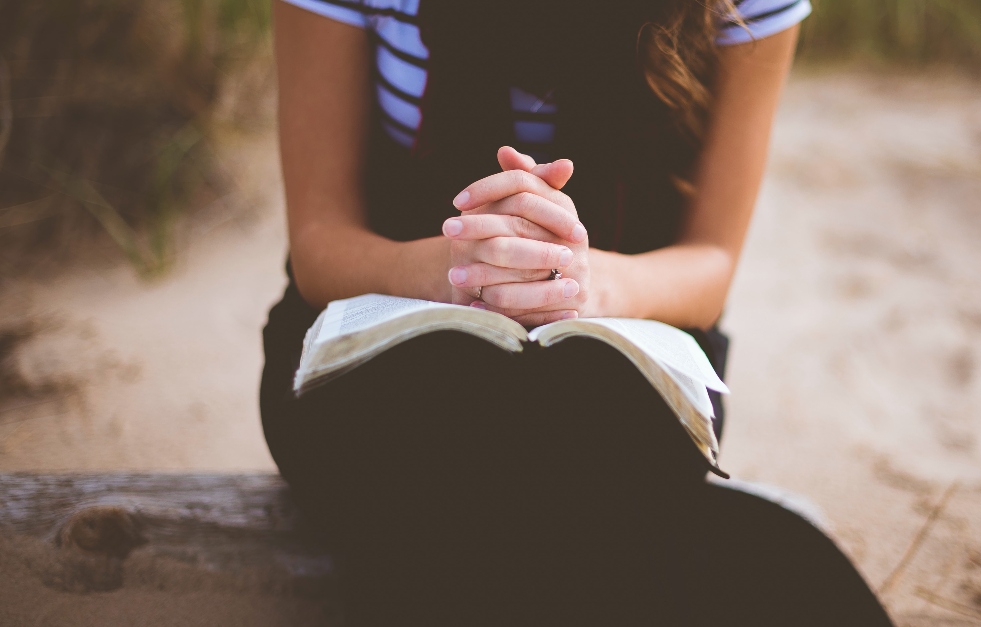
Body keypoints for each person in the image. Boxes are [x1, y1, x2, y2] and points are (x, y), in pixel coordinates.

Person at [260, 0, 894, 624]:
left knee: (583, 442)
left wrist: (584, 286)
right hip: (384, 331)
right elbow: (319, 242)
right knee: (451, 445)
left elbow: (711, 261)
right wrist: (460, 269)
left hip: (626, 339)